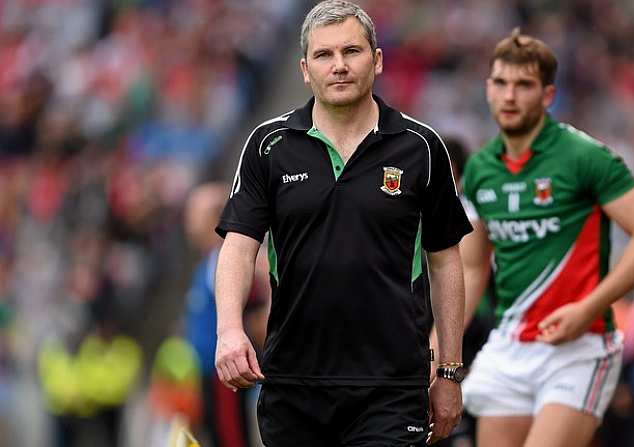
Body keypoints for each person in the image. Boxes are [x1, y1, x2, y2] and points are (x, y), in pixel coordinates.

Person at [213, 1, 473, 446]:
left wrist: (449, 370)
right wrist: (229, 331)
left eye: (351, 52)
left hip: (391, 387)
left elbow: (447, 263)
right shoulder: (268, 145)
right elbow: (239, 247)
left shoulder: (421, 148)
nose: (338, 66)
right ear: (304, 68)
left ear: (377, 60)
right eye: (324, 55)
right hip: (293, 383)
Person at [457, 28, 634, 447]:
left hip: (580, 348)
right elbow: (470, 266)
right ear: (488, 89)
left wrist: (588, 307)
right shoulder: (481, 169)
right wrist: (439, 346)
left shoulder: (584, 156)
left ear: (549, 95)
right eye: (501, 83)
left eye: (524, 85)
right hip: (512, 346)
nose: (510, 96)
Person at [182, 182, 269, 447]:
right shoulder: (208, 260)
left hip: (226, 377)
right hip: (208, 373)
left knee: (231, 438)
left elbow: (268, 274)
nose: (188, 222)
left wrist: (265, 317)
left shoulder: (230, 258)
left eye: (194, 214)